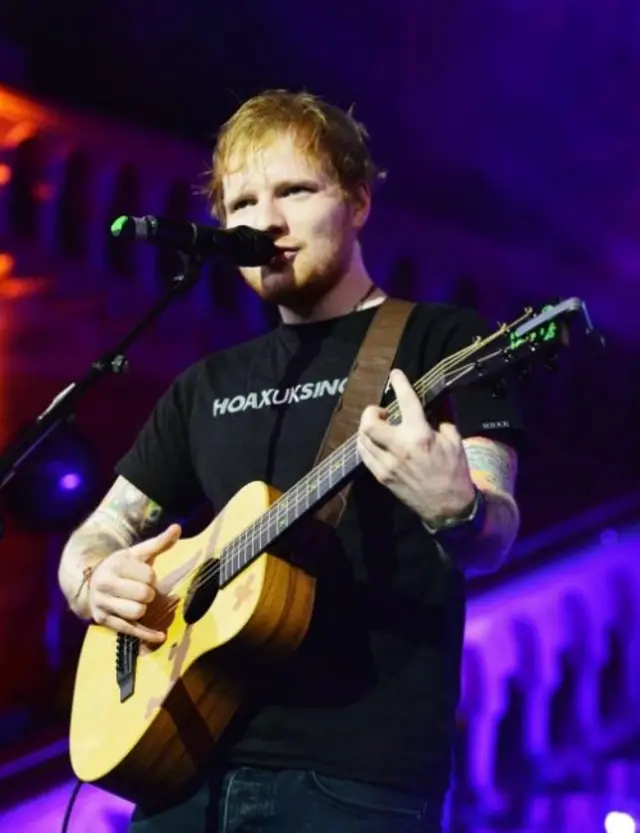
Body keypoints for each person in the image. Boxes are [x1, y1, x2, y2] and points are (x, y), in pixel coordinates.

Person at [58, 89, 524, 833]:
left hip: (355, 783)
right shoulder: (203, 384)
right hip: (181, 766)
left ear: (359, 201)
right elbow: (99, 531)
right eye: (242, 202)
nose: (264, 221)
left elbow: (496, 530)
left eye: (295, 190)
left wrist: (459, 509)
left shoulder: (447, 341)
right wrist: (92, 579)